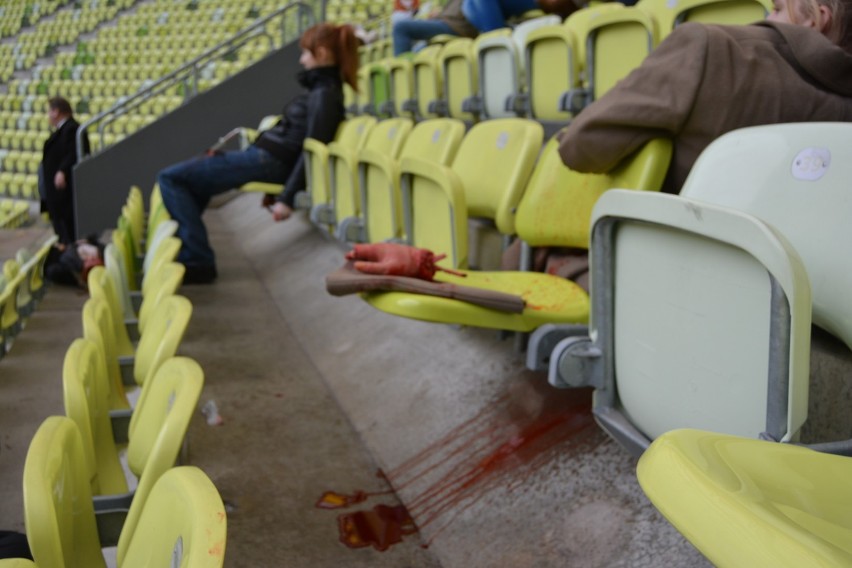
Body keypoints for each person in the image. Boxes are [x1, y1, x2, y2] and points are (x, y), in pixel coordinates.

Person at [558, 0, 852, 194]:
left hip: (658, 262)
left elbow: (579, 146)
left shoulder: (710, 48)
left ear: (816, 19)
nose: (763, 18)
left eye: (775, 8)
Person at [158, 22, 359, 284]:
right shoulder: (322, 91)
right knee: (191, 182)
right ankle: (192, 253)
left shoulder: (325, 95)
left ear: (321, 53)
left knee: (171, 178)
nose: (302, 59)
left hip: (268, 161)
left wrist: (285, 198)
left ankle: (197, 259)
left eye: (306, 53)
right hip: (265, 158)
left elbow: (311, 148)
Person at [41, 96, 89, 245]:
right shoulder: (62, 130)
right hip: (58, 195)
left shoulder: (72, 128)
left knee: (68, 232)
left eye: (50, 111)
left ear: (56, 112)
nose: (48, 115)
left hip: (65, 194)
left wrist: (62, 171)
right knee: (63, 232)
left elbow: (73, 153)